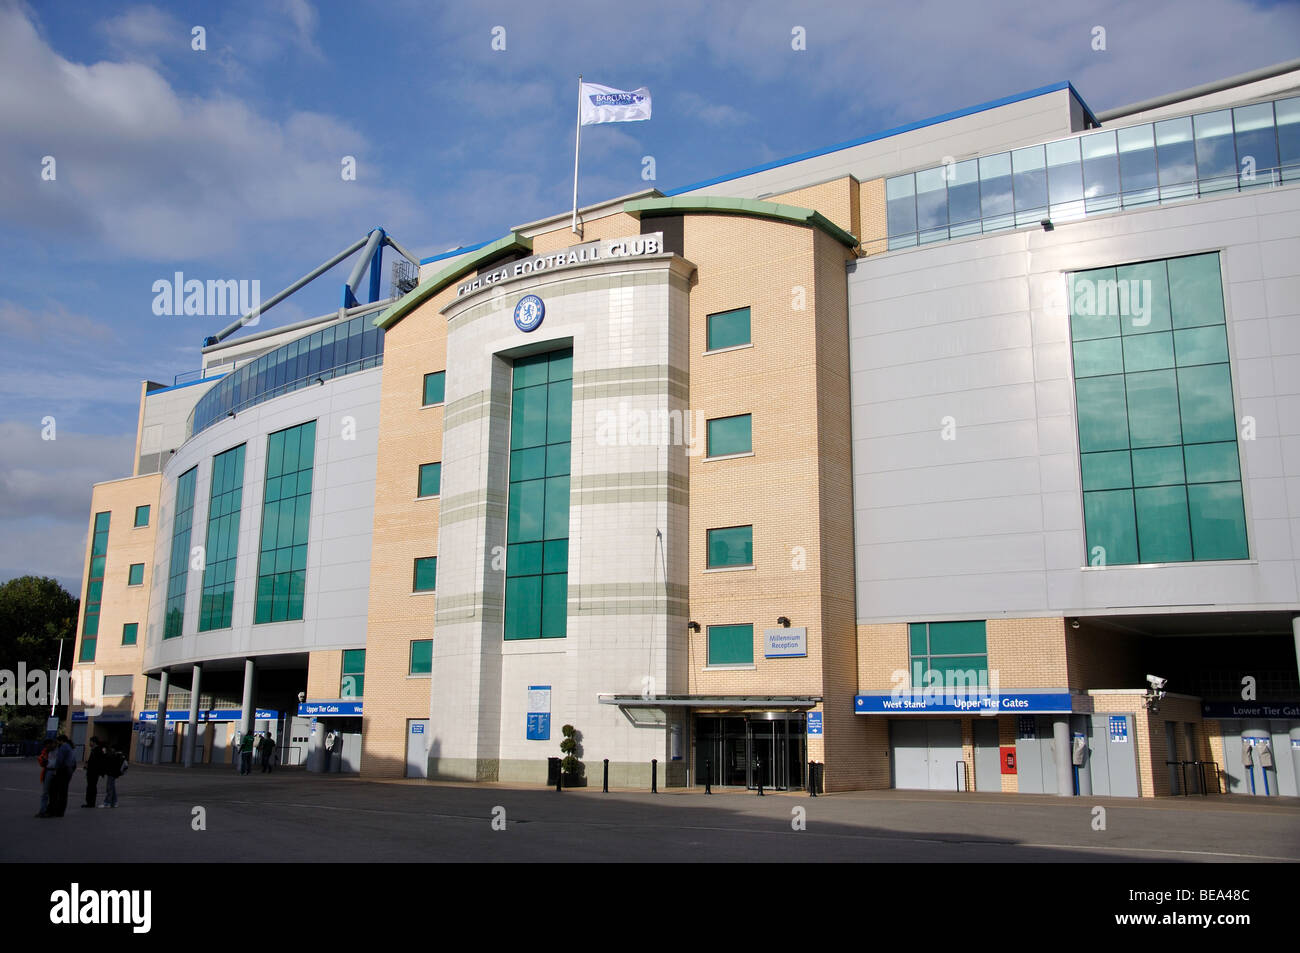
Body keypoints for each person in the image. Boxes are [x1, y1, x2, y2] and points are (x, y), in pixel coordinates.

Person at [45, 734, 77, 818]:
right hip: (68, 770)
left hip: (62, 770)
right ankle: (60, 811)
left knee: (55, 790)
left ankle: (53, 810)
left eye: (57, 741)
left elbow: (59, 760)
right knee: (63, 791)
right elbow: (74, 762)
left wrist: (55, 769)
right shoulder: (70, 747)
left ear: (61, 740)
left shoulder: (63, 747)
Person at [83, 736, 108, 808]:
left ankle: (90, 803)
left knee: (91, 787)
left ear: (93, 742)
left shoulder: (97, 750)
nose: (89, 743)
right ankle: (90, 802)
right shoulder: (95, 750)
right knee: (91, 787)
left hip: (93, 772)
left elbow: (98, 762)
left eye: (90, 741)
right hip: (93, 772)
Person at [35, 739, 55, 817]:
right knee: (46, 792)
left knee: (51, 793)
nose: (48, 747)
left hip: (53, 771)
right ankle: (43, 810)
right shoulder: (45, 751)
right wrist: (43, 761)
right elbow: (41, 760)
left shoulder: (57, 751)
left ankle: (49, 810)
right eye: (47, 746)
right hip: (48, 771)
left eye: (49, 745)